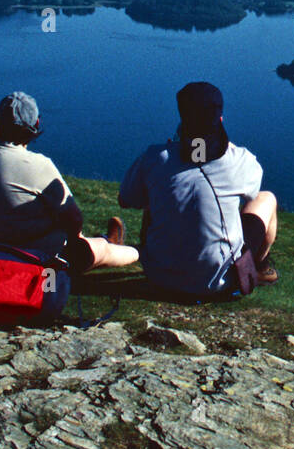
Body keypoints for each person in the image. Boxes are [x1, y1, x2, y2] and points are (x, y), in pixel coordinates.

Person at [119, 81, 278, 298]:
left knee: (156, 194)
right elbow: (251, 194)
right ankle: (259, 269)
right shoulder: (240, 160)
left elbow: (126, 199)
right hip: (221, 283)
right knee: (266, 199)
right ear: (220, 118)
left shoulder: (156, 158)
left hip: (158, 277)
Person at [0, 92, 139, 272]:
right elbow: (74, 218)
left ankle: (106, 239)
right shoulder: (38, 165)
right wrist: (77, 239)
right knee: (100, 251)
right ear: (36, 123)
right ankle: (136, 251)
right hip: (37, 257)